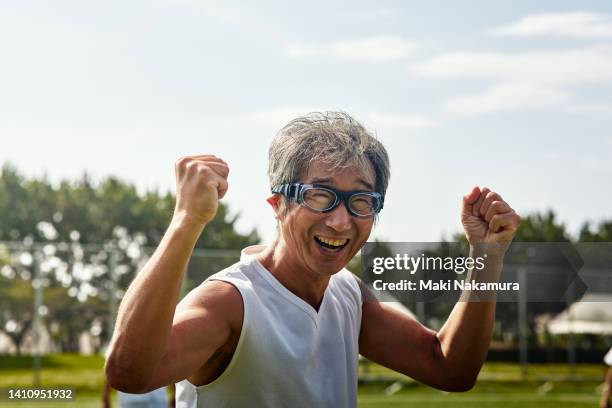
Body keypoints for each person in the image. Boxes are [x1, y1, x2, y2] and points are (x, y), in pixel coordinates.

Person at [104, 111, 521, 407]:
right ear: (277, 204)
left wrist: (486, 256)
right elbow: (130, 373)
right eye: (320, 196)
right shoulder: (232, 301)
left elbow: (450, 369)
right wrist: (186, 221)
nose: (340, 221)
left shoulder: (347, 295)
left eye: (361, 201)